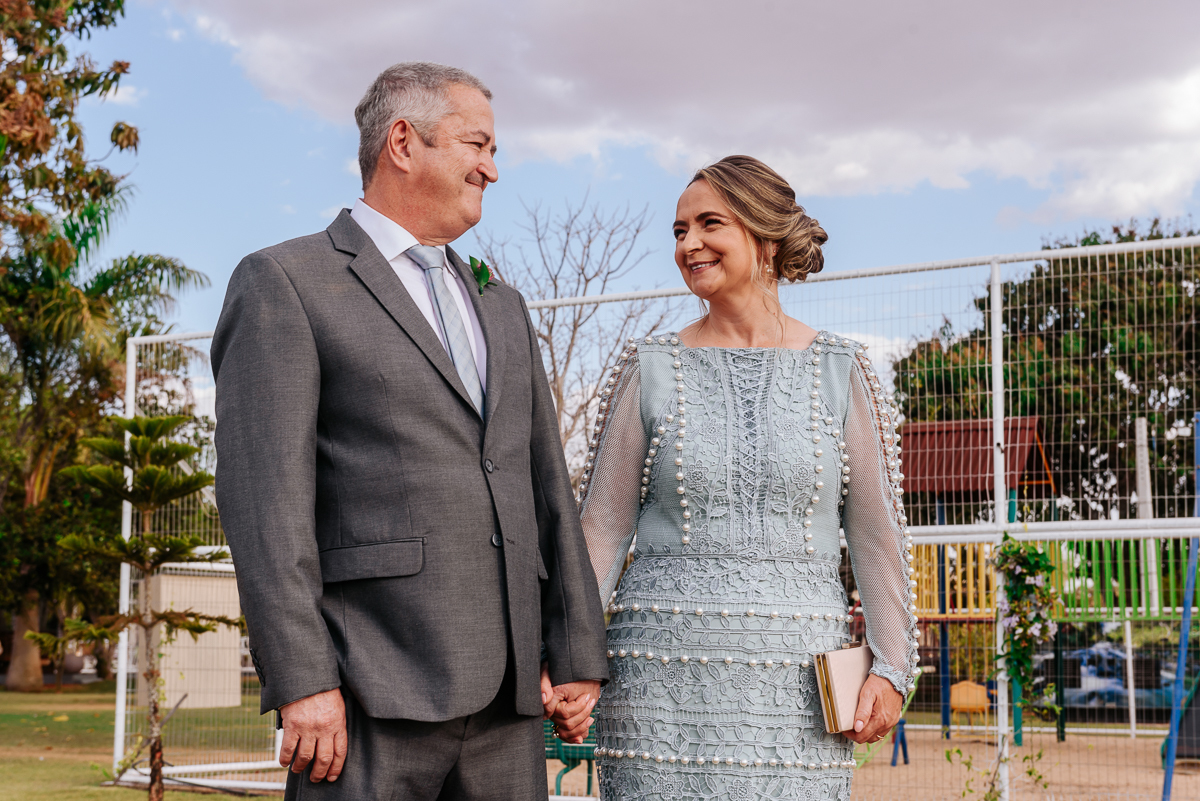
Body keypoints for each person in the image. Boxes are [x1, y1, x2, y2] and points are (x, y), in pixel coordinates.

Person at [211, 62, 608, 800]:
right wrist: (303, 680)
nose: (493, 167)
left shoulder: (505, 306)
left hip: (511, 704)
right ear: (402, 140)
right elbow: (265, 505)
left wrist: (575, 647)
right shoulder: (285, 283)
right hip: (366, 693)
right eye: (477, 143)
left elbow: (546, 483)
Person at [575, 155, 918, 800]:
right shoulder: (646, 368)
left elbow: (876, 535)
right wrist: (571, 661)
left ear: (763, 237)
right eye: (679, 231)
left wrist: (893, 668)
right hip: (659, 684)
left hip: (802, 685)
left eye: (709, 224)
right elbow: (599, 534)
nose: (689, 244)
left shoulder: (842, 371)